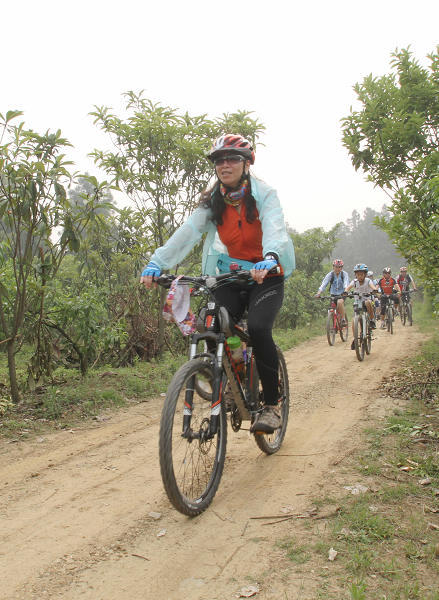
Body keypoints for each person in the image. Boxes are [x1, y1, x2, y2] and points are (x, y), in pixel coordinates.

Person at [140, 134, 295, 434]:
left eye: (233, 159)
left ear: (247, 164)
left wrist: (271, 256)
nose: (225, 165)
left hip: (267, 274)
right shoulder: (213, 201)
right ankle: (228, 380)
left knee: (259, 328)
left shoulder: (264, 194)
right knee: (209, 323)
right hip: (230, 275)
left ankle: (271, 405)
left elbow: (275, 226)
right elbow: (188, 232)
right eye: (219, 160)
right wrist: (157, 262)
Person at [345, 263, 377, 349]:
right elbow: (348, 287)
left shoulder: (368, 281)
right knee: (354, 320)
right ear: (355, 275)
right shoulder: (354, 282)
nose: (359, 276)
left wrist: (374, 290)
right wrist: (346, 292)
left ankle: (372, 320)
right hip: (357, 302)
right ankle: (355, 338)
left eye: (361, 274)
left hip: (367, 300)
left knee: (368, 302)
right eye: (358, 274)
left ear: (365, 274)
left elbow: (372, 287)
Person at [315, 259, 349, 324]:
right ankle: (334, 325)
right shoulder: (330, 274)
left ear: (341, 268)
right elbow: (323, 284)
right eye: (336, 267)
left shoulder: (344, 274)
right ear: (333, 267)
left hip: (342, 294)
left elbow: (346, 283)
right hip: (333, 294)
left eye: (339, 267)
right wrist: (318, 293)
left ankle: (343, 319)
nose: (337, 269)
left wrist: (345, 291)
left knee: (339, 302)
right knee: (331, 309)